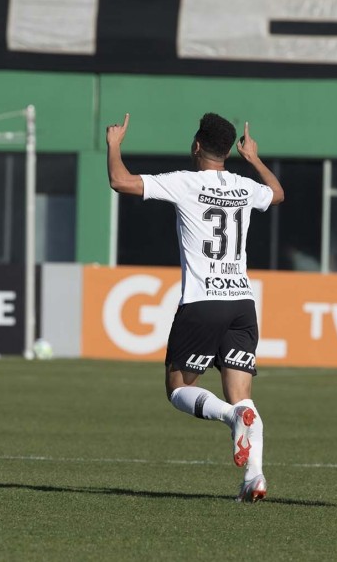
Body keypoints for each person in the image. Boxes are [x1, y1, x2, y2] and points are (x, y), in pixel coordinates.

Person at [106, 112, 283, 502]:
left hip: (203, 302)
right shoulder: (242, 186)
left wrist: (114, 144)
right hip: (241, 303)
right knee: (243, 394)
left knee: (178, 388)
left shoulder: (184, 183)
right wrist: (253, 158)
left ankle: (230, 418)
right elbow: (277, 194)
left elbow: (120, 181)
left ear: (197, 146)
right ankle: (254, 476)